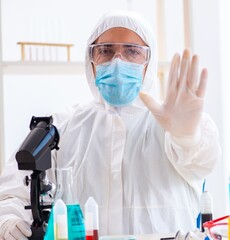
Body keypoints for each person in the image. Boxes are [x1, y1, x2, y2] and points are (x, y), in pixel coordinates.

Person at [0, 10, 221, 239]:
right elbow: (13, 192)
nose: (117, 61)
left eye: (132, 51)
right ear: (91, 60)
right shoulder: (62, 126)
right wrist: (9, 221)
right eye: (105, 51)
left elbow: (202, 163)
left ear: (149, 62)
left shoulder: (173, 122)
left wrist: (187, 136)